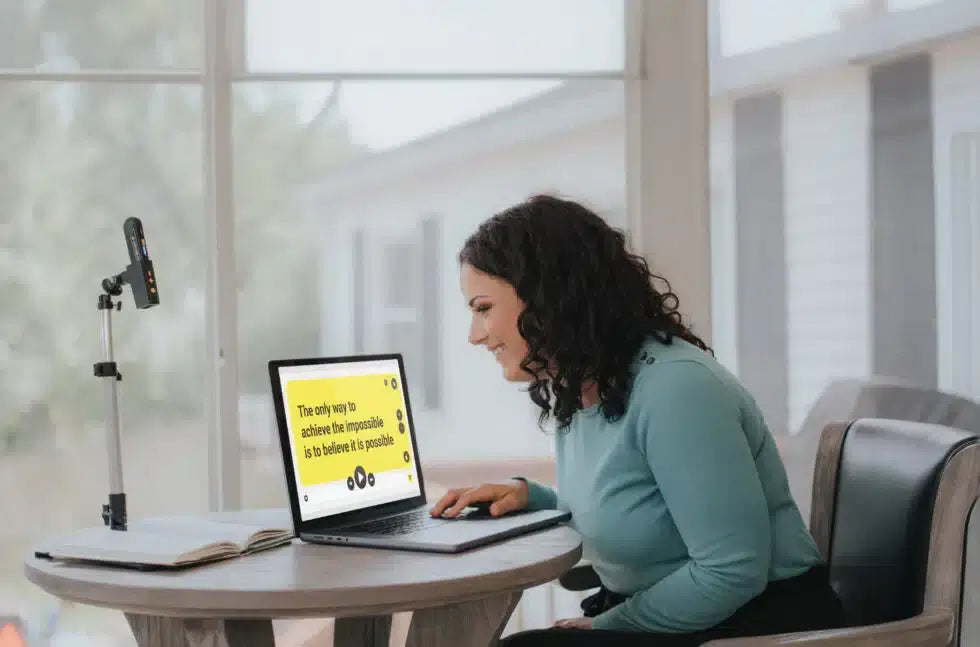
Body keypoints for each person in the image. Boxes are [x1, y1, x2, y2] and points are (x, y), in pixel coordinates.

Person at [429, 194, 846, 646]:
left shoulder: (677, 390)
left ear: (547, 297)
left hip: (760, 626)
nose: (475, 335)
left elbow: (732, 570)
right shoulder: (585, 384)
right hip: (696, 616)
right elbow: (636, 505)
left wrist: (609, 624)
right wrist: (534, 496)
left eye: (484, 308)